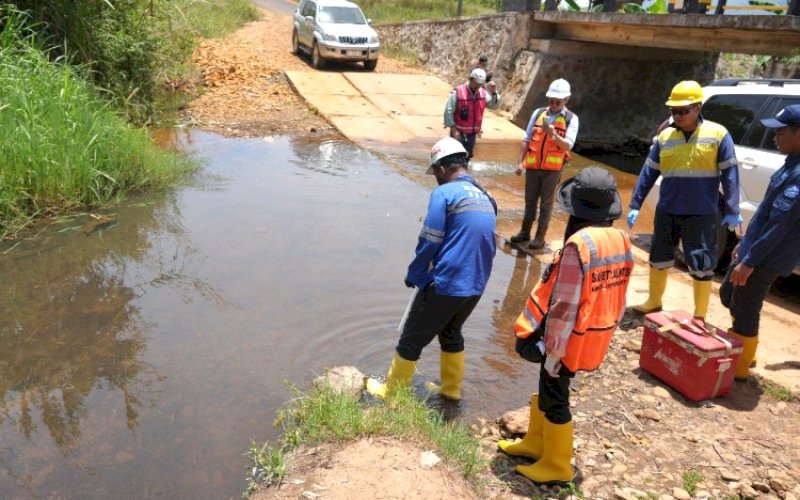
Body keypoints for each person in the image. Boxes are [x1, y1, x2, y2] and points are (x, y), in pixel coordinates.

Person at [498, 167, 634, 484]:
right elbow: (619, 296)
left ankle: (557, 465)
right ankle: (537, 443)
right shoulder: (622, 240)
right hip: (594, 334)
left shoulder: (579, 245)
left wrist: (554, 352)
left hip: (566, 339)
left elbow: (563, 307)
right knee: (550, 388)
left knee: (556, 394)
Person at [366, 137, 497, 400]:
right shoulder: (487, 196)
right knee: (450, 332)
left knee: (411, 337)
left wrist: (415, 274)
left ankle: (391, 392)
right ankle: (451, 390)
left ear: (440, 169)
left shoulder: (444, 193)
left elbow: (430, 238)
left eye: (435, 173)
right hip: (476, 285)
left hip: (447, 281)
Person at [627, 80, 741, 320]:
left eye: (683, 110)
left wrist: (732, 208)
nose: (677, 115)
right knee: (659, 256)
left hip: (701, 212)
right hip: (668, 209)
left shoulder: (718, 134)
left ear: (698, 107)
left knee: (702, 260)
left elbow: (730, 174)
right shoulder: (665, 137)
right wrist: (635, 204)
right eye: (673, 110)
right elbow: (648, 172)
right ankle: (654, 300)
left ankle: (699, 313)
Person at [719, 104, 800, 381]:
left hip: (768, 255)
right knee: (729, 295)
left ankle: (739, 369)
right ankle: (745, 350)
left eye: (781, 132)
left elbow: (780, 226)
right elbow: (767, 212)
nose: (775, 137)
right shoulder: (790, 164)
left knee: (745, 307)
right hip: (755, 247)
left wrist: (750, 261)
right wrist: (744, 244)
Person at [509, 78, 579, 250]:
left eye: (558, 101)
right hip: (533, 167)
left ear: (566, 100)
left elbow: (568, 145)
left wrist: (553, 134)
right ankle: (525, 232)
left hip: (552, 170)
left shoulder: (571, 119)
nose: (554, 104)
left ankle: (540, 237)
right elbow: (526, 139)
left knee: (546, 203)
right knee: (530, 201)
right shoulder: (538, 113)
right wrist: (520, 163)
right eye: (551, 101)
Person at [443, 68, 500, 160]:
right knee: (455, 158)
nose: (478, 85)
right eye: (476, 83)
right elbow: (448, 111)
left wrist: (494, 93)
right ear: (471, 79)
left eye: (480, 83)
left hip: (472, 135)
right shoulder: (458, 92)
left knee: (467, 158)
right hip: (458, 132)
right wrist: (453, 129)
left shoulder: (483, 94)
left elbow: (494, 106)